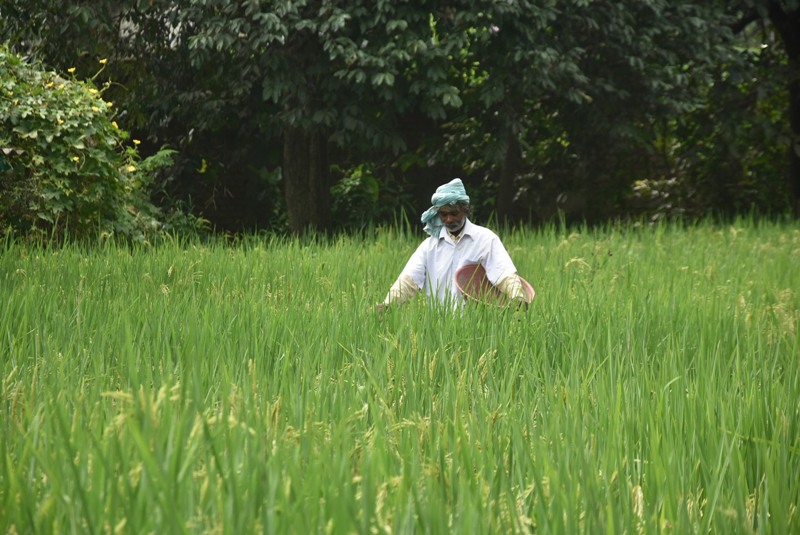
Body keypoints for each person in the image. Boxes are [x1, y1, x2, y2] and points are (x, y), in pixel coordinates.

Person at [378, 178, 526, 310]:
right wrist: (387, 305)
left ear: (465, 210)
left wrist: (518, 297)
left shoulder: (486, 240)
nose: (449, 219)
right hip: (439, 326)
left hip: (477, 326)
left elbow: (504, 273)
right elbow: (409, 281)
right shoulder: (429, 247)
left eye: (454, 213)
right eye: (443, 214)